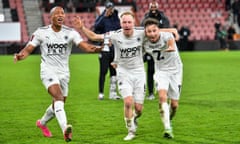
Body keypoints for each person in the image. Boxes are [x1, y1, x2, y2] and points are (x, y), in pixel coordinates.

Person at [73, 11, 178, 141]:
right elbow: (95, 37)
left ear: (134, 23)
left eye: (129, 22)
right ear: (120, 23)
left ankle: (134, 118)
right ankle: (131, 130)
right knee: (128, 102)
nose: (127, 24)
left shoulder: (142, 32)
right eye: (124, 22)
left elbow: (156, 30)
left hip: (139, 73)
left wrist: (172, 30)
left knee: (139, 109)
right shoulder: (115, 35)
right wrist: (82, 27)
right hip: (123, 73)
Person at [14, 6, 102, 142]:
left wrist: (101, 49)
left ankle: (42, 123)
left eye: (62, 13)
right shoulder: (41, 32)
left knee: (59, 103)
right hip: (47, 70)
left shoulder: (71, 33)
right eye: (57, 13)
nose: (61, 15)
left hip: (64, 73)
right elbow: (29, 48)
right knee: (59, 97)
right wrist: (20, 55)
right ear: (51, 17)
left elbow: (86, 47)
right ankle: (65, 130)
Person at [143, 18, 183, 139]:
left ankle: (168, 119)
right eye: (149, 31)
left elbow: (171, 43)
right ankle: (167, 128)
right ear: (145, 32)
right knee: (161, 97)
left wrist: (170, 47)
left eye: (154, 30)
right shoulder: (144, 42)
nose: (152, 34)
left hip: (176, 71)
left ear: (158, 30)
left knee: (174, 106)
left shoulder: (166, 36)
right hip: (161, 72)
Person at [141, 0, 170, 100]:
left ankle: (163, 89)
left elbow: (167, 29)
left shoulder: (163, 17)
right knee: (150, 70)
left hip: (161, 46)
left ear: (157, 7)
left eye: (154, 7)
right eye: (151, 7)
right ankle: (150, 92)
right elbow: (142, 30)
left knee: (162, 70)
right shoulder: (146, 18)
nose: (153, 9)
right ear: (149, 8)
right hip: (150, 46)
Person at [93, 1, 121, 100]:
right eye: (109, 8)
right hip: (104, 48)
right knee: (103, 71)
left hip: (114, 48)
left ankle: (112, 93)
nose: (110, 10)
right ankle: (101, 92)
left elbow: (119, 29)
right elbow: (96, 28)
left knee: (114, 70)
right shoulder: (101, 17)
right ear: (105, 8)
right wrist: (104, 16)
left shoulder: (116, 17)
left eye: (111, 8)